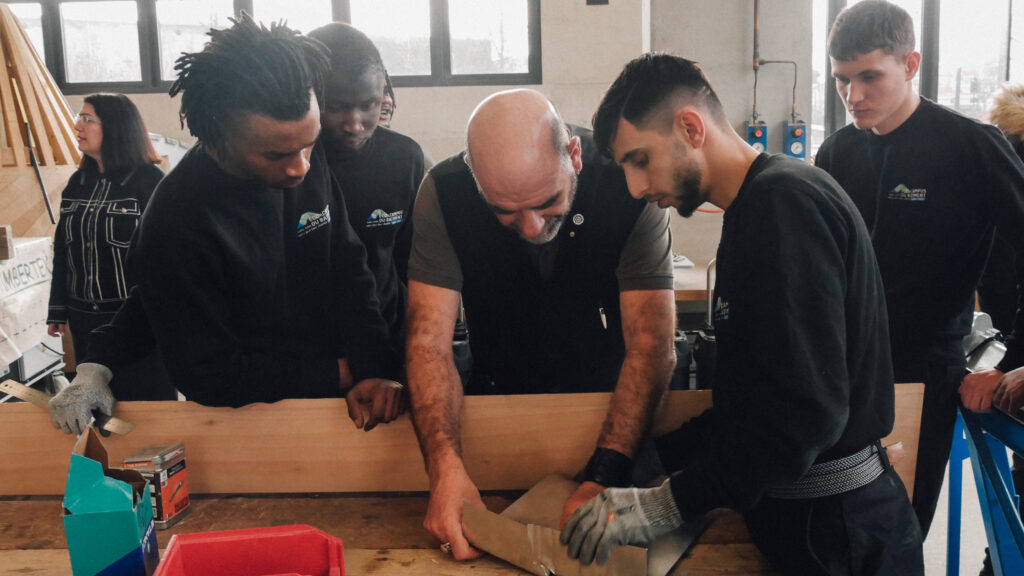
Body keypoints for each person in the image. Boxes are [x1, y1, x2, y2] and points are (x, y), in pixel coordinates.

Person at [562, 53, 923, 575]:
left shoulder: (785, 204)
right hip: (809, 526)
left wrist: (665, 505)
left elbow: (804, 415)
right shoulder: (756, 205)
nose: (635, 188)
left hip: (841, 535)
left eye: (639, 160)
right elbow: (753, 404)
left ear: (690, 128)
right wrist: (640, 465)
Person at [48, 14, 404, 435]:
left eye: (309, 145)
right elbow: (209, 373)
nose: (301, 168)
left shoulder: (296, 147)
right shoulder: (176, 222)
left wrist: (373, 366)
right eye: (276, 156)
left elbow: (349, 265)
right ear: (219, 137)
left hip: (347, 391)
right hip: (249, 415)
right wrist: (340, 373)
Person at [405, 88, 676, 560]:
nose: (531, 228)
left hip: (609, 410)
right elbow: (428, 343)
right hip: (497, 412)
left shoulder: (627, 182)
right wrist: (444, 469)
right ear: (473, 172)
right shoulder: (444, 192)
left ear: (574, 155)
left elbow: (651, 345)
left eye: (548, 201)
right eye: (504, 211)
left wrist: (605, 473)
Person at [814, 0, 1024, 537]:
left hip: (923, 370)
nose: (853, 96)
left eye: (869, 77)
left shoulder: (972, 147)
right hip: (841, 371)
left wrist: (1014, 362)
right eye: (841, 80)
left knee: (900, 532)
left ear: (910, 65)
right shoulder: (836, 153)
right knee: (833, 532)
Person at [307, 23, 425, 371]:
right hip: (313, 356)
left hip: (390, 343)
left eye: (368, 105)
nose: (355, 123)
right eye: (337, 106)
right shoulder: (291, 164)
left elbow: (410, 260)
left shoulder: (405, 157)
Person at [46, 93, 176, 405]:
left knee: (147, 407)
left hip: (134, 321)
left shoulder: (149, 181)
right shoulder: (77, 182)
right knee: (96, 409)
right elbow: (63, 249)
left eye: (87, 119)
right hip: (83, 320)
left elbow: (165, 256)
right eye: (79, 118)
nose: (78, 125)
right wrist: (57, 308)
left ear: (115, 126)